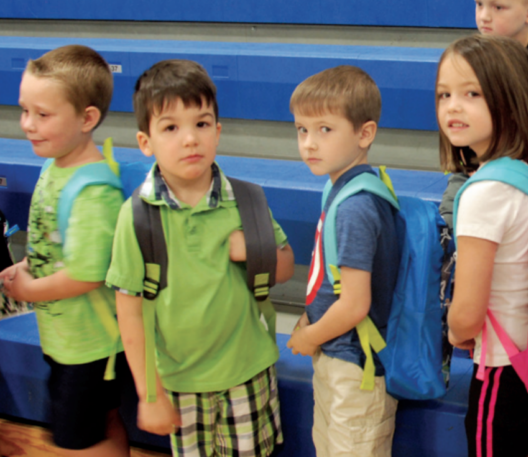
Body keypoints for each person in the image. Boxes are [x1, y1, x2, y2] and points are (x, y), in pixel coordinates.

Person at [106, 59, 294, 457]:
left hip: (248, 373)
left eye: (202, 123)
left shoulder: (247, 199)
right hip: (179, 382)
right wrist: (149, 392)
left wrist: (256, 252)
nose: (190, 139)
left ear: (218, 131)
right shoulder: (136, 215)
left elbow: (285, 266)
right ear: (146, 141)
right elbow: (129, 310)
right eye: (171, 127)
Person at [0, 44, 130, 457]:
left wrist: (26, 291)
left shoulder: (93, 190)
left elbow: (87, 273)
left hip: (90, 344)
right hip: (68, 337)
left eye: (43, 114)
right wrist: (26, 265)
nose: (28, 125)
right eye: (24, 110)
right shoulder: (53, 165)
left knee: (80, 439)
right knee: (95, 424)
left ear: (87, 118)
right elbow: (57, 245)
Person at [441, 35, 528, 457]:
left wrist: (455, 330)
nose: (453, 106)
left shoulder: (484, 191)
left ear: (510, 99)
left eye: (472, 93)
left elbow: (468, 315)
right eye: (445, 94)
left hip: (503, 369)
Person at [286, 65, 401, 457]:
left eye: (324, 129)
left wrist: (307, 336)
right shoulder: (341, 187)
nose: (309, 144)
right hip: (337, 355)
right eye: (302, 129)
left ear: (364, 133)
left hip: (357, 369)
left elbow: (354, 304)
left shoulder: (356, 206)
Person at [438, 0, 528, 227]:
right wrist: (472, 164)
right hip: (473, 166)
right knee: (449, 220)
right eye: (479, 4)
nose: (484, 16)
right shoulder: (472, 57)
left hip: (527, 171)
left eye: (498, 7)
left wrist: (519, 167)